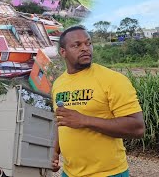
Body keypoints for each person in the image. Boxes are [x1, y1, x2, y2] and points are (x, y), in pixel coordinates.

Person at [51, 26, 145, 177]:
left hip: (109, 173)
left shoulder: (113, 80)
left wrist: (84, 120)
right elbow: (61, 121)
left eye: (88, 43)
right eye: (77, 45)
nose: (85, 48)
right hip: (69, 173)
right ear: (63, 52)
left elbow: (137, 128)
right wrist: (54, 151)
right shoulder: (58, 84)